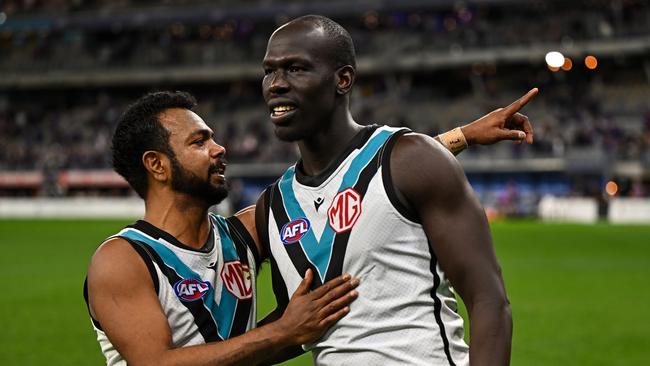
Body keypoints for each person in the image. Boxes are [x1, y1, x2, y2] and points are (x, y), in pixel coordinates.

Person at [256, 15, 538, 365]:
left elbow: (489, 301)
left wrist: (455, 139)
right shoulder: (274, 204)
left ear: (343, 80)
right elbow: (294, 329)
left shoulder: (413, 159)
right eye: (269, 71)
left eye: (296, 69)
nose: (276, 84)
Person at [83, 91, 361, 366]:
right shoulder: (123, 259)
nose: (219, 148)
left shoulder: (246, 233)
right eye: (199, 141)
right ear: (157, 165)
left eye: (212, 138)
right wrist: (282, 331)